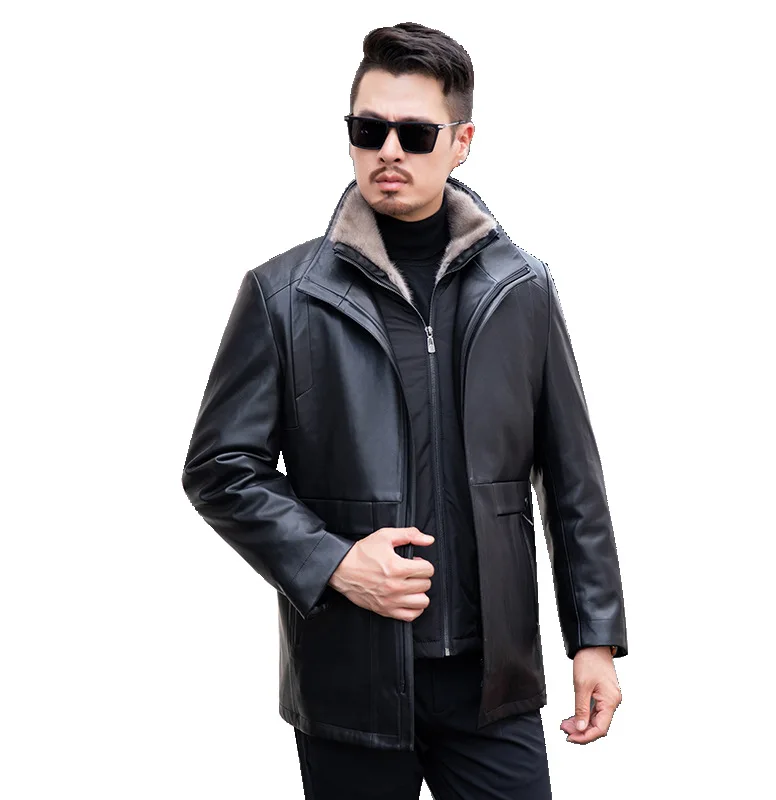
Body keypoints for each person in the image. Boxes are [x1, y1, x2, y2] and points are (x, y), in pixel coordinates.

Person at [181, 21, 628, 799]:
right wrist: (335, 563)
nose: (389, 150)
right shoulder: (284, 296)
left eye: (416, 134)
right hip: (349, 685)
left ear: (462, 143)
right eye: (369, 130)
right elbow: (220, 468)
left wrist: (595, 639)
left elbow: (572, 477)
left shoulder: (521, 288)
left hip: (492, 684)